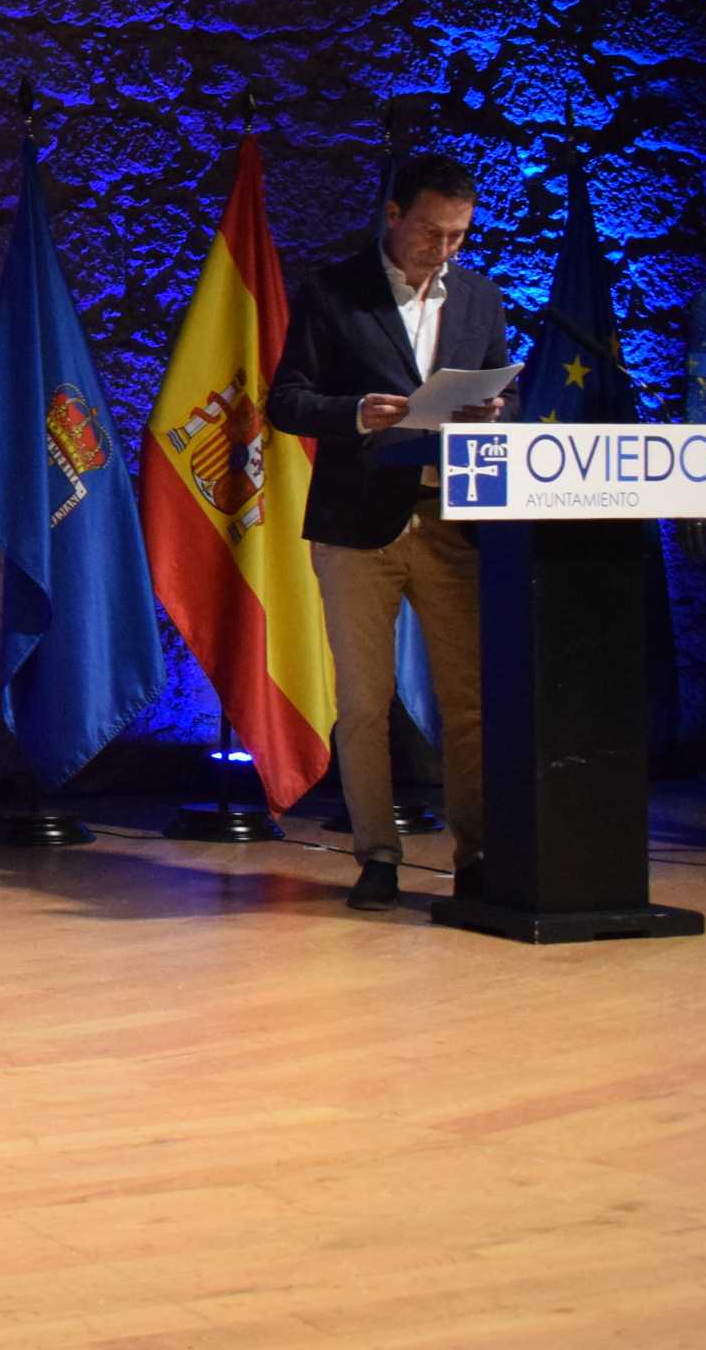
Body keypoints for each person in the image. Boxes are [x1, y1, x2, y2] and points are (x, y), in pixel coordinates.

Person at [264, 149, 507, 914]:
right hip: (358, 523)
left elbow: (495, 382)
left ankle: (477, 856)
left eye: (458, 236)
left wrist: (489, 413)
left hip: (448, 522)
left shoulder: (478, 300)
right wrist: (351, 414)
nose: (444, 250)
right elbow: (286, 401)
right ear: (393, 215)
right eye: (431, 233)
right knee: (364, 701)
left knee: (467, 701)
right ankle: (376, 856)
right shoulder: (336, 293)